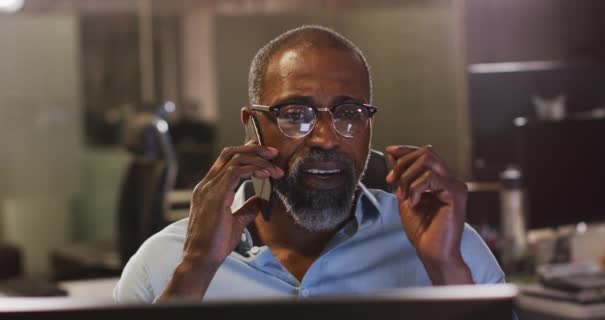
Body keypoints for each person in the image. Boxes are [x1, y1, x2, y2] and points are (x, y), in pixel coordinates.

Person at [114, 25, 504, 303]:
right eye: (295, 113)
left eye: (349, 112)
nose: (326, 137)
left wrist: (445, 268)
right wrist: (196, 269)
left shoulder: (453, 248)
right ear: (254, 127)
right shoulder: (164, 262)